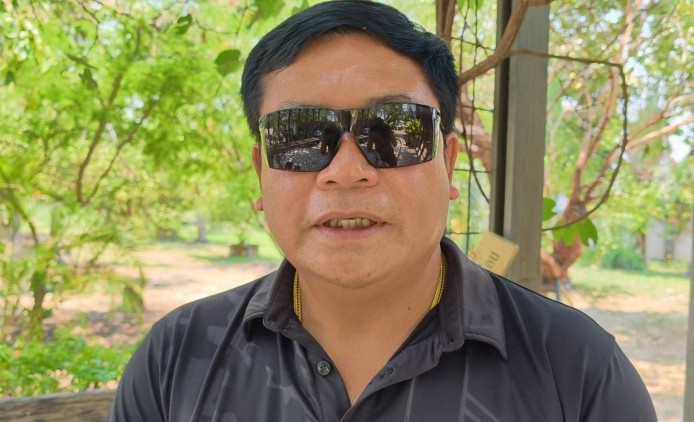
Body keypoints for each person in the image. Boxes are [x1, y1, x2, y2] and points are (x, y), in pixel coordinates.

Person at [109, 1, 657, 421]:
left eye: (393, 131)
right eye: (300, 137)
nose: (346, 171)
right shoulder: (175, 359)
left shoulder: (576, 368)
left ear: (448, 163)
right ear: (261, 173)